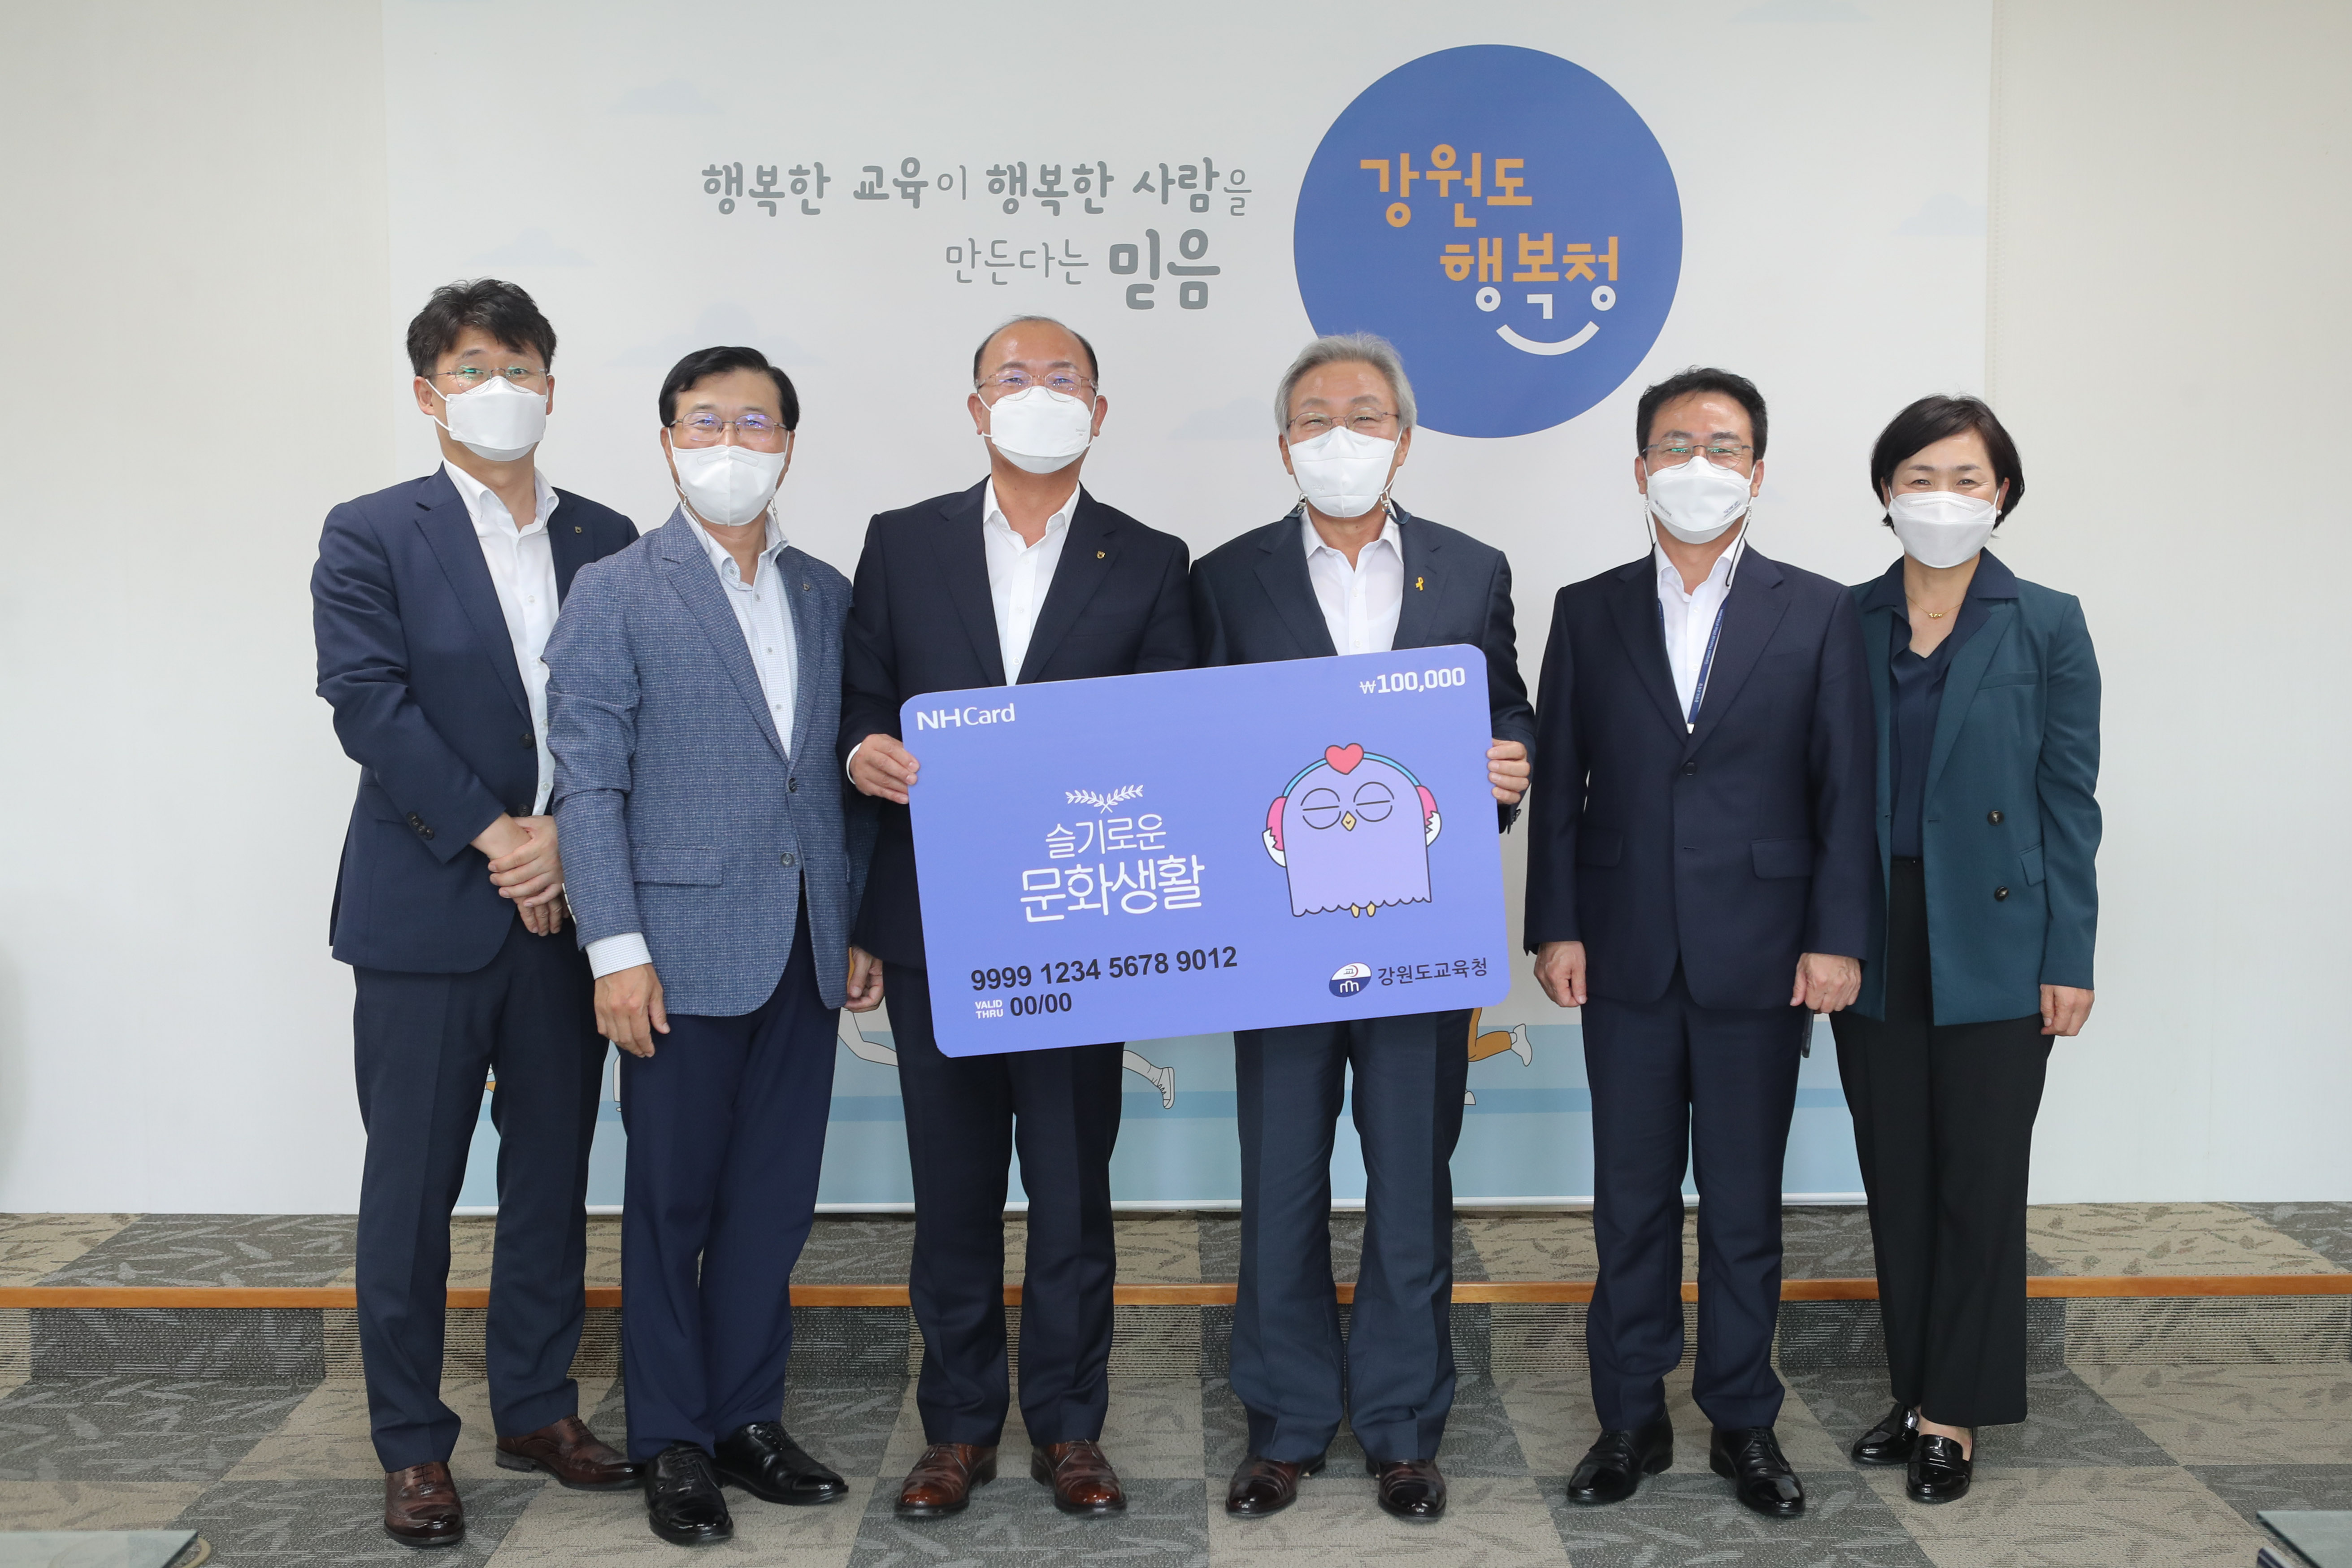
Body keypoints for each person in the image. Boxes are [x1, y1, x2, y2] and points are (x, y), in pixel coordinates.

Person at [842, 315, 1193, 1520]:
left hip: (1078, 926)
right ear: (975, 405)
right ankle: (954, 1430)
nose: (1036, 394)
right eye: (1012, 376)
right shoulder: (902, 543)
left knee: (1069, 1191)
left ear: (1097, 409)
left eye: (1061, 378)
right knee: (951, 1192)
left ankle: (1068, 1427)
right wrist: (863, 750)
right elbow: (859, 698)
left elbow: (1171, 733)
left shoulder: (1150, 559)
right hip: (934, 922)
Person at [312, 278, 640, 1550]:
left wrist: (563, 836)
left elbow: (631, 705)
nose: (497, 387)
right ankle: (411, 1443)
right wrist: (500, 834)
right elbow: (367, 702)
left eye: (518, 366)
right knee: (412, 1190)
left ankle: (536, 1407)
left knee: (550, 1175)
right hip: (427, 911)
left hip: (568, 909)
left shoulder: (609, 536)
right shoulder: (370, 532)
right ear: (426, 393)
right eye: (470, 368)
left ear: (551, 386)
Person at [1189, 334, 1535, 1523]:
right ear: (1284, 442)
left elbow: (1505, 709)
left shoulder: (1470, 568)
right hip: (1278, 938)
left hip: (1418, 934)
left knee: (1407, 1184)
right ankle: (1283, 1425)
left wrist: (1509, 759)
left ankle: (1400, 1426)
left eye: (1366, 413)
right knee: (1280, 1184)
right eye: (1315, 416)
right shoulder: (1224, 578)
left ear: (1404, 436)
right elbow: (1193, 742)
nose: (1340, 434)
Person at [544, 346, 881, 1546]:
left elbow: (841, 778)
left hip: (804, 947)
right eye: (704, 422)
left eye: (754, 423)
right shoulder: (615, 590)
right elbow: (587, 787)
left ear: (787, 444)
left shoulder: (827, 592)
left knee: (770, 1208)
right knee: (670, 1206)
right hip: (673, 953)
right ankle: (672, 1439)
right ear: (667, 441)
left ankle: (746, 1419)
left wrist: (855, 918)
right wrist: (614, 949)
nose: (729, 444)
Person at [1526, 367, 1875, 1520]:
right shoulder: (1587, 608)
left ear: (1756, 473)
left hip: (1763, 953)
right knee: (1628, 1202)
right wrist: (1555, 924)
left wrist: (1834, 938)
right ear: (1640, 469)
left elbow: (1843, 790)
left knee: (1740, 1204)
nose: (1698, 465)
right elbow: (1561, 784)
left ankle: (1742, 1421)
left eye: (1723, 446)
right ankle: (1628, 1418)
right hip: (1621, 948)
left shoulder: (1817, 609)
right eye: (1676, 444)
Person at [1833, 395, 2099, 1506]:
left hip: (1999, 933)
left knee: (1979, 1181)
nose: (1941, 498)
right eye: (1920, 477)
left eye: (1966, 479)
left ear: (2002, 494)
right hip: (1874, 931)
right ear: (1885, 490)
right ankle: (1913, 1387)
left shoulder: (2046, 622)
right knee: (1896, 1178)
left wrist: (2070, 953)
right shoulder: (1842, 618)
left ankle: (1955, 1412)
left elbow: (2069, 801)